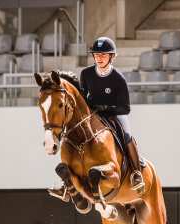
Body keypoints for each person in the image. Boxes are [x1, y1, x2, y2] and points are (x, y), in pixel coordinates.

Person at [49, 36, 146, 200]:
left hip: (114, 115)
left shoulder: (118, 78)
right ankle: (68, 185)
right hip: (92, 115)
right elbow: (82, 99)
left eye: (103, 55)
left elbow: (125, 108)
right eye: (96, 55)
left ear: (111, 57)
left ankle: (136, 173)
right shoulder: (86, 74)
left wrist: (105, 108)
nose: (99, 58)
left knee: (127, 134)